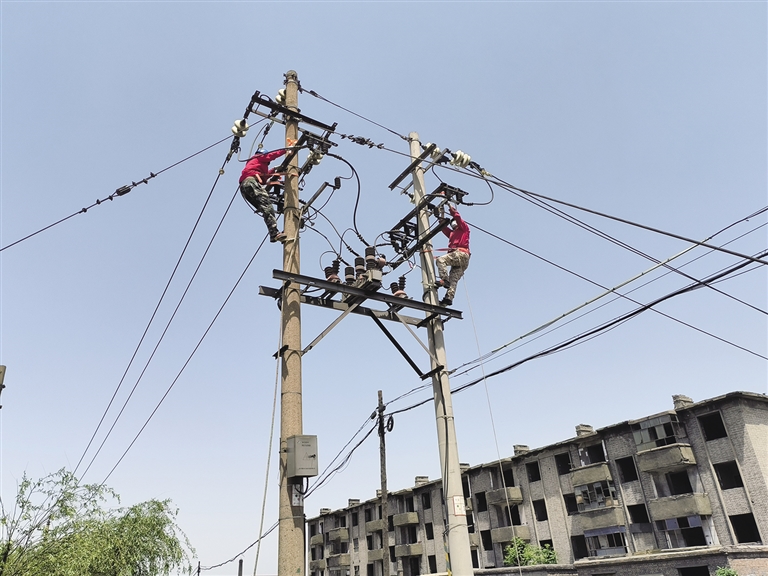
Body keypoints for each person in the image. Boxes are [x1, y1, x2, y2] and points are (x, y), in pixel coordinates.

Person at [239, 148, 289, 242]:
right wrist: (285, 151)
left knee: (264, 207)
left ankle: (274, 234)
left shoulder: (255, 165)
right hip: (251, 182)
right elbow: (271, 156)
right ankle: (274, 233)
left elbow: (264, 178)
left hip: (244, 188)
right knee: (267, 206)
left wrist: (274, 170)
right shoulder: (258, 157)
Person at [435, 204, 470, 307]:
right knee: (453, 279)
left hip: (461, 254)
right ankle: (448, 299)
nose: (453, 223)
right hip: (462, 260)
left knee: (440, 260)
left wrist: (449, 206)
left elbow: (457, 217)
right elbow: (443, 227)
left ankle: (444, 280)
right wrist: (441, 213)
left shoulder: (464, 228)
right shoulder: (452, 234)